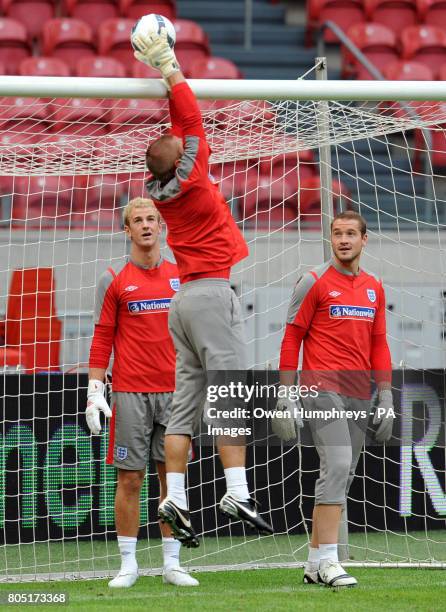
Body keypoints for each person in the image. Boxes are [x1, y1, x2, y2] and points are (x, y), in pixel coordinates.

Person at [131, 28, 273, 547]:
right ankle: (236, 490)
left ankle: (175, 495)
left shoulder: (163, 185)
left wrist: (164, 88)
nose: (181, 138)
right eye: (177, 144)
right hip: (212, 295)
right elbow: (189, 117)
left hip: (182, 302)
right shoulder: (191, 177)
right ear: (179, 159)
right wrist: (168, 66)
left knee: (184, 406)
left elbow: (177, 129)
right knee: (231, 393)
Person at [272, 210, 394, 587]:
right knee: (338, 464)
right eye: (337, 233)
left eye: (351, 234)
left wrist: (386, 393)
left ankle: (312, 564)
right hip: (320, 388)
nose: (343, 239)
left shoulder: (375, 286)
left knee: (342, 474)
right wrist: (285, 393)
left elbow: (378, 343)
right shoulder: (314, 282)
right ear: (330, 239)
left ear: (364, 239)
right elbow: (292, 337)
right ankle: (329, 561)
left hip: (360, 392)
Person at [85, 197, 199, 588]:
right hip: (131, 394)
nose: (146, 225)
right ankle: (128, 564)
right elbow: (102, 336)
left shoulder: (182, 275)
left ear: (162, 226)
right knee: (130, 480)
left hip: (176, 394)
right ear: (127, 230)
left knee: (172, 480)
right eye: (138, 220)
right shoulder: (114, 276)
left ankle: (172, 564)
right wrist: (94, 389)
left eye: (152, 218)